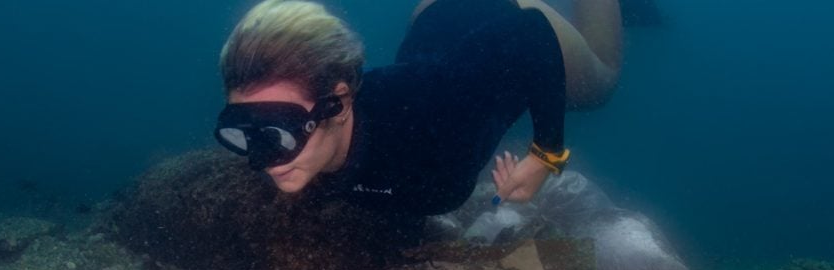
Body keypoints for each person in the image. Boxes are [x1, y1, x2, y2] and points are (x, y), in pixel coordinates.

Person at [215, 0, 620, 217]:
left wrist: (545, 155)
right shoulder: (308, 146)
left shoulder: (433, 112)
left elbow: (531, 31)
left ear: (336, 104)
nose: (262, 161)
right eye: (243, 132)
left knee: (600, 84)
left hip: (506, 14)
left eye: (278, 131)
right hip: (435, 17)